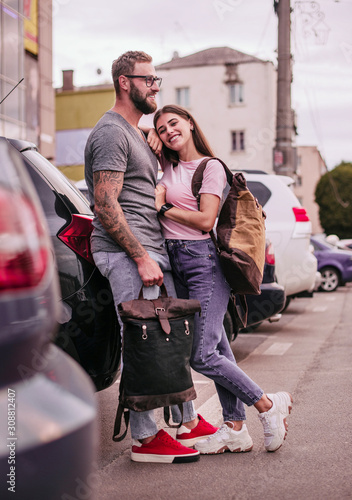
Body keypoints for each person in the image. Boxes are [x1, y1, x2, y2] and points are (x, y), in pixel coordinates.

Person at [84, 52, 218, 464]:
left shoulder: (133, 132)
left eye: (157, 79)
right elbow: (106, 205)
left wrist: (154, 140)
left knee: (168, 336)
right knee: (141, 340)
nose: (156, 86)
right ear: (125, 82)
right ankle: (145, 439)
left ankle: (185, 419)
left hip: (147, 249)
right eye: (150, 80)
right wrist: (141, 256)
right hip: (127, 252)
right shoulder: (110, 133)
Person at [152, 104, 293, 454]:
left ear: (189, 123)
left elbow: (205, 219)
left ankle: (267, 404)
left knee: (201, 355)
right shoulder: (166, 166)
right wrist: (149, 133)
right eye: (162, 128)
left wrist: (164, 208)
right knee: (218, 348)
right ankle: (234, 428)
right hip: (175, 262)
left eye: (174, 123)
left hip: (203, 263)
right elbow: (136, 123)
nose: (169, 131)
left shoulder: (210, 167)